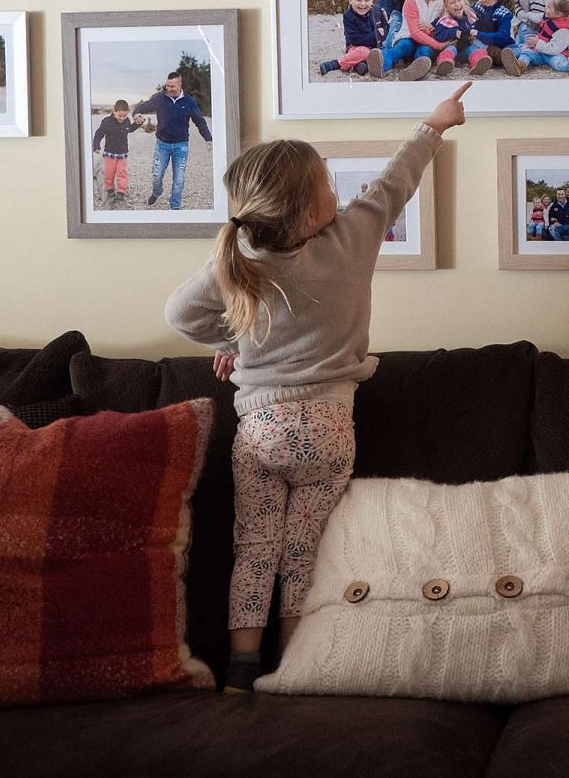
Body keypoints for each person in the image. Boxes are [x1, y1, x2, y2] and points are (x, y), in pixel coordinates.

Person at [163, 84, 471, 693]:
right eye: (329, 182)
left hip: (260, 432)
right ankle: (296, 665)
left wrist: (229, 343)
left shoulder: (237, 258)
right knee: (305, 552)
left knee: (254, 550)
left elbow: (180, 316)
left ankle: (242, 670)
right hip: (330, 430)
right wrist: (435, 124)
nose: (340, 191)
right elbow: (396, 182)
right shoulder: (351, 237)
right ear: (309, 213)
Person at [134, 71, 213, 210]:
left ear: (179, 84)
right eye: (167, 86)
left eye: (172, 86)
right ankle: (157, 192)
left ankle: (174, 206)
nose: (168, 89)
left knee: (179, 179)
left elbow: (200, 122)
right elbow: (144, 106)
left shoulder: (189, 102)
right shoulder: (160, 98)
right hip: (162, 145)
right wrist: (137, 113)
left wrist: (208, 139)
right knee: (157, 175)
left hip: (181, 146)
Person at [368, 0, 445, 81]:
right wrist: (438, 45)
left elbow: (442, 23)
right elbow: (414, 32)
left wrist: (429, 30)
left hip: (428, 40)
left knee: (425, 51)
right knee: (403, 47)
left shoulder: (440, 1)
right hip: (409, 37)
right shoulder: (411, 1)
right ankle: (382, 63)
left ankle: (416, 69)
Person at [501, 0, 569, 76]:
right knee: (527, 53)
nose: (545, 8)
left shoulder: (564, 29)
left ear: (558, 14)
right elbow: (538, 17)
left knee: (560, 65)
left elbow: (554, 49)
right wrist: (527, 15)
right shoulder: (549, 16)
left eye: (549, 7)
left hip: (555, 54)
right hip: (541, 51)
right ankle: (519, 66)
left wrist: (538, 43)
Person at [319, 0, 390, 77]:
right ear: (350, 0)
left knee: (384, 54)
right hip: (356, 47)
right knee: (364, 52)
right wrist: (376, 34)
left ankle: (360, 66)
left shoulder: (377, 10)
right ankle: (335, 64)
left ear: (372, 1)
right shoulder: (348, 16)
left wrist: (383, 33)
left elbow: (386, 27)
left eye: (367, 0)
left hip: (377, 47)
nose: (363, 4)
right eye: (359, 0)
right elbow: (356, 39)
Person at [430, 0, 491, 77]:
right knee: (450, 49)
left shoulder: (470, 16)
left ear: (464, 1)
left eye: (459, 1)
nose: (457, 4)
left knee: (475, 50)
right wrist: (454, 32)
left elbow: (481, 26)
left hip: (466, 49)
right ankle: (445, 63)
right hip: (452, 46)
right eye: (452, 2)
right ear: (446, 7)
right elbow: (437, 35)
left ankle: (478, 62)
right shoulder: (445, 20)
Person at [92, 99, 142, 204]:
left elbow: (130, 129)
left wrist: (138, 124)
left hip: (122, 154)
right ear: (114, 111)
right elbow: (99, 133)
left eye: (124, 116)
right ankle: (109, 188)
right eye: (120, 116)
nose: (122, 118)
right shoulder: (107, 122)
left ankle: (121, 191)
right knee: (109, 172)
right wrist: (96, 145)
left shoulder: (126, 121)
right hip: (109, 153)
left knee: (122, 172)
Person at [471, 0, 514, 67]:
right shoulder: (476, 7)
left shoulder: (503, 13)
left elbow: (502, 37)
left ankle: (511, 62)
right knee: (471, 46)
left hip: (501, 46)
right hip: (479, 44)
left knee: (502, 51)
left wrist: (478, 34)